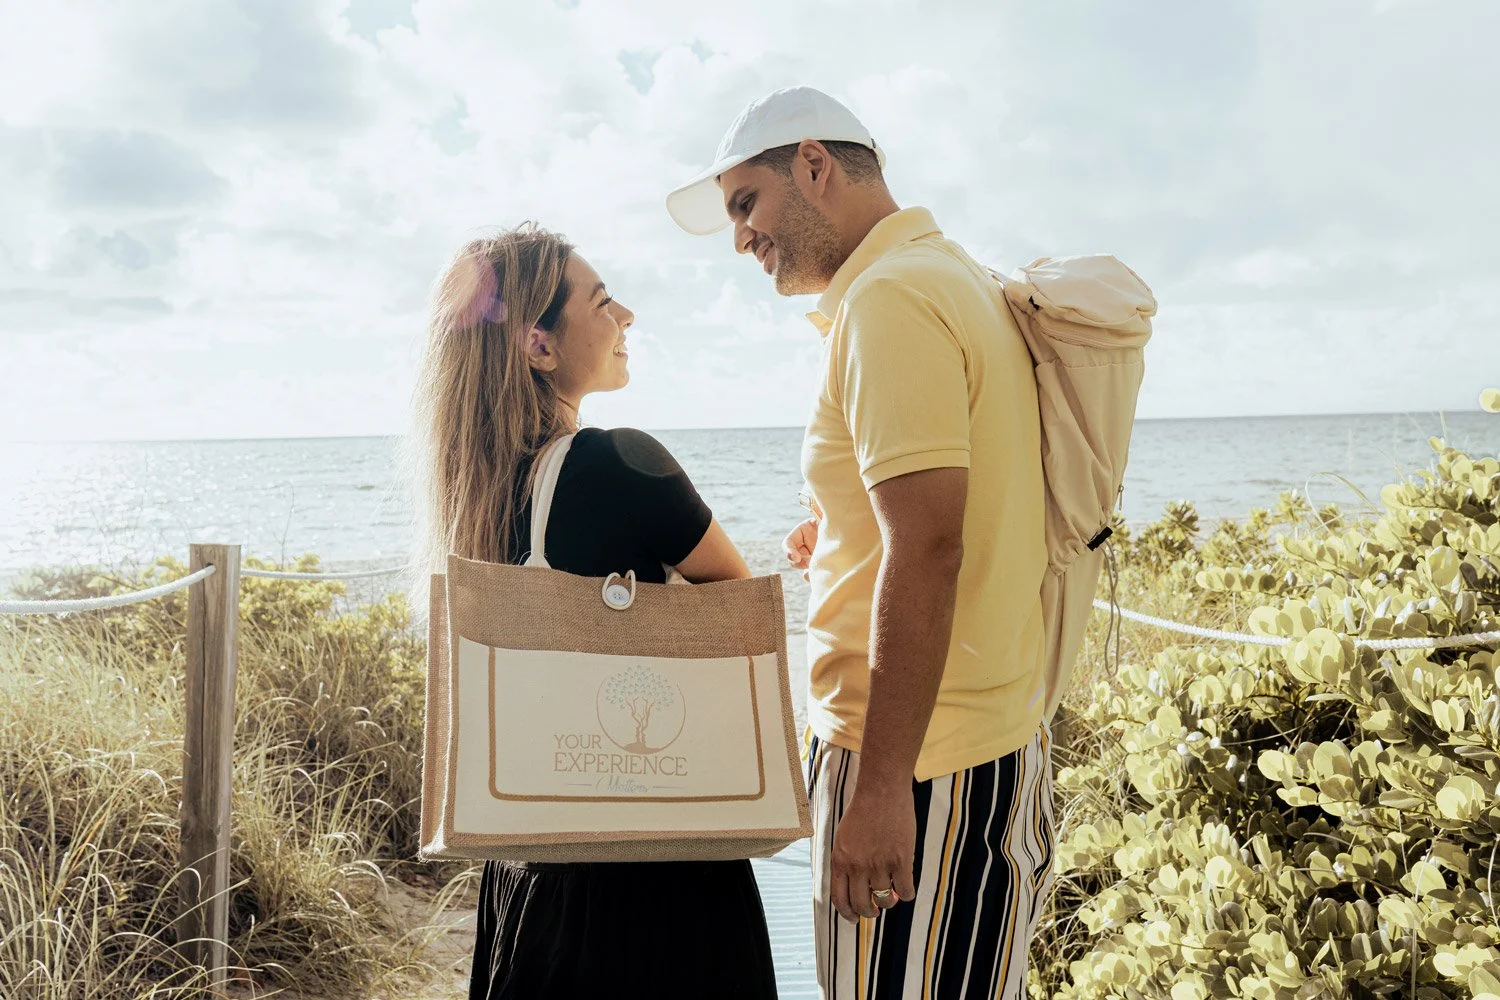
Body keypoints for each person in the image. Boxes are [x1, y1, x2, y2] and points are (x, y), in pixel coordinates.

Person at [667, 87, 1056, 998]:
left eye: (744, 204)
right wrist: (840, 535)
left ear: (813, 165)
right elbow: (952, 512)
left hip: (921, 765)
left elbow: (929, 548)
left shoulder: (890, 301)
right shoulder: (947, 274)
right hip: (969, 744)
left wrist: (879, 789)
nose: (740, 239)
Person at [408, 223, 777, 1000]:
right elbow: (739, 615)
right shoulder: (619, 463)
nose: (628, 318)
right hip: (652, 877)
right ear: (539, 347)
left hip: (530, 871)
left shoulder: (479, 493)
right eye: (604, 302)